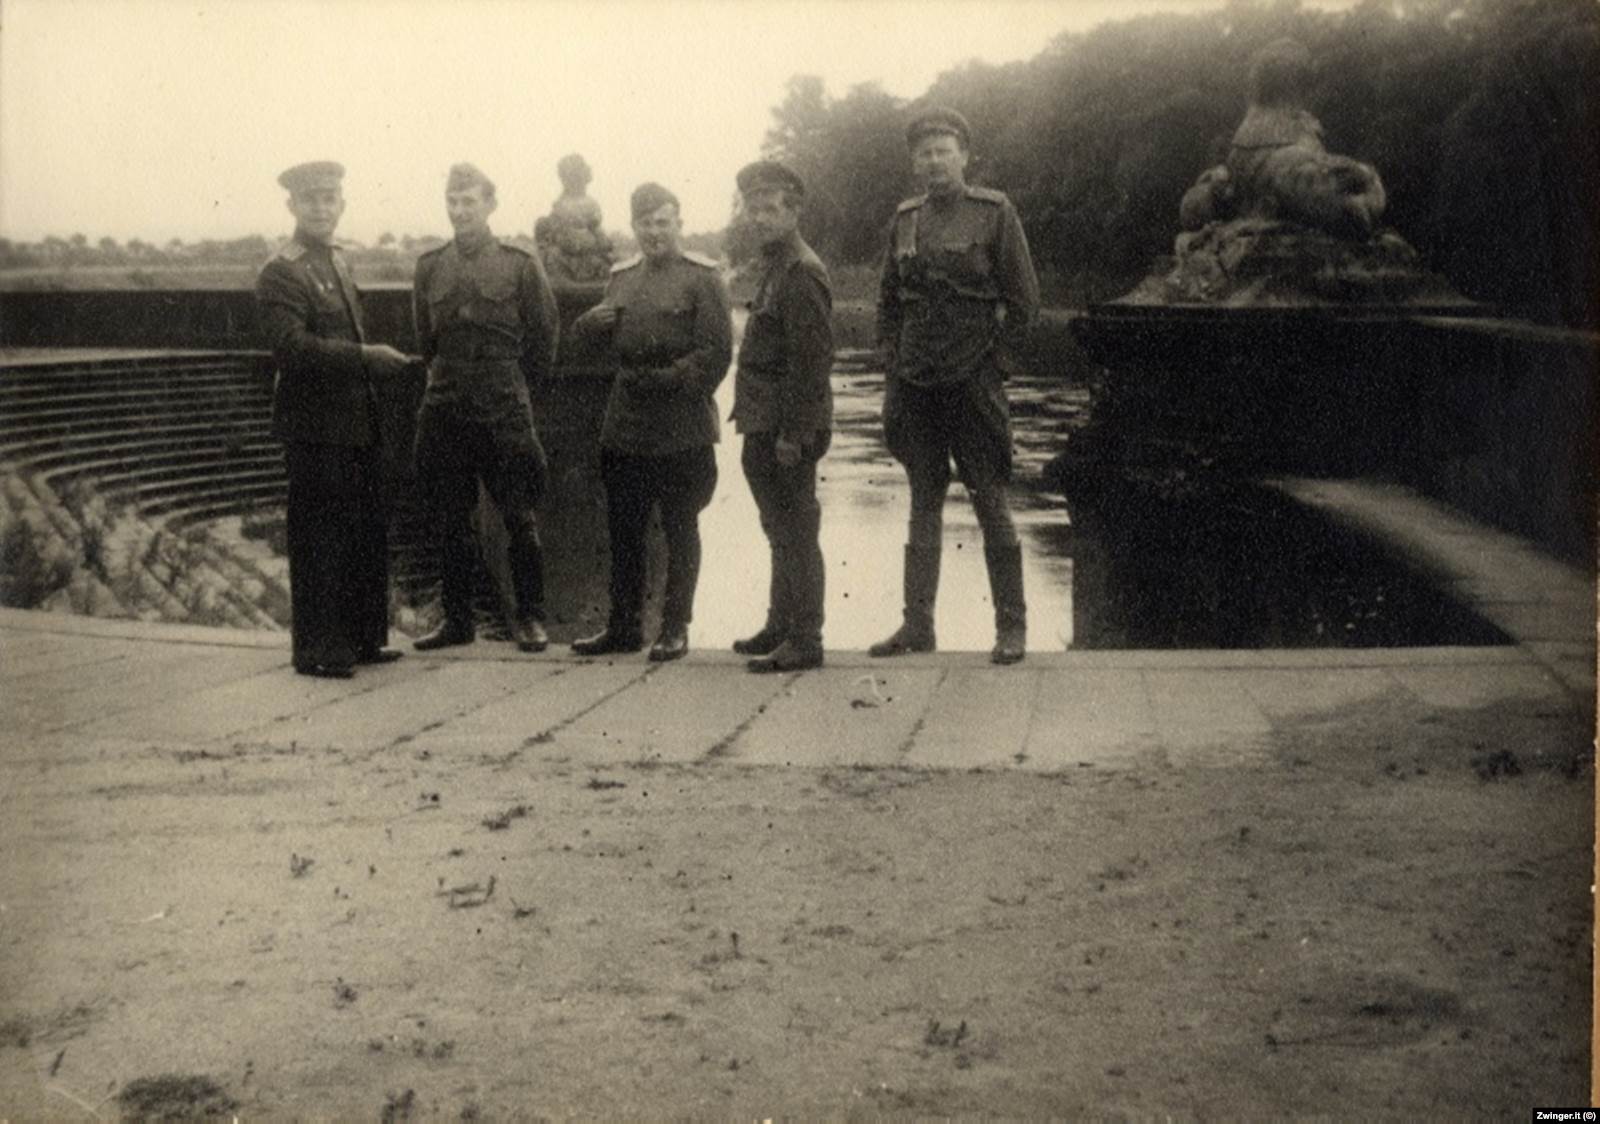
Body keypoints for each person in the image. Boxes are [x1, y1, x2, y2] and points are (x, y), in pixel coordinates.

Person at [872, 107, 1040, 665]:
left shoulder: (994, 213)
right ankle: (917, 626)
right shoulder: (905, 219)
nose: (934, 161)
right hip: (916, 381)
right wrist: (893, 362)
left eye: (944, 151)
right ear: (913, 162)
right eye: (924, 153)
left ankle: (1011, 629)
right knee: (923, 498)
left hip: (973, 381)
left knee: (989, 497)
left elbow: (1024, 302)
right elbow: (888, 301)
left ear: (964, 156)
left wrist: (995, 363)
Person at [256, 160, 413, 679]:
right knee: (321, 536)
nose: (321, 209)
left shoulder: (339, 261)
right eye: (310, 200)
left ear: (341, 204)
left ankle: (363, 639)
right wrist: (366, 357)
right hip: (314, 427)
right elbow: (291, 348)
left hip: (355, 421)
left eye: (329, 199)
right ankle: (319, 648)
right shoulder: (282, 270)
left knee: (362, 530)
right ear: (292, 206)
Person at [569, 183, 733, 662]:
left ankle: (675, 627)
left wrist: (669, 379)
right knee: (624, 527)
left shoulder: (703, 278)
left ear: (679, 223)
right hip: (626, 425)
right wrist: (585, 327)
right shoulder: (621, 278)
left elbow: (716, 355)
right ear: (634, 226)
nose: (654, 232)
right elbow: (601, 346)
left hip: (681, 424)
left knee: (681, 526)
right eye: (645, 223)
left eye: (663, 222)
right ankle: (623, 626)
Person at [410, 163, 560, 653]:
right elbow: (426, 341)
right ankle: (457, 621)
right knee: (451, 517)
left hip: (502, 407)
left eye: (468, 201)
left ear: (489, 205)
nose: (459, 211)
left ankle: (532, 618)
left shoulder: (520, 264)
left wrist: (512, 387)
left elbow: (544, 339)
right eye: (452, 202)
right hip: (447, 406)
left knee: (519, 516)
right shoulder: (430, 266)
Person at [729, 160, 834, 673]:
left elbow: (811, 362)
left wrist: (794, 434)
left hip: (787, 425)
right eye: (753, 209)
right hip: (762, 419)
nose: (759, 218)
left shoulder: (802, 271)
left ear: (794, 212)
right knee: (779, 528)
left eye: (770, 209)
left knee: (796, 529)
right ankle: (780, 624)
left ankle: (805, 637)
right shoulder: (776, 266)